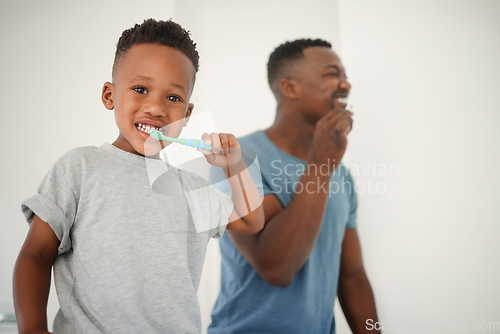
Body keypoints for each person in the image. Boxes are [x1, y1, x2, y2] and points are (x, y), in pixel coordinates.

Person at [13, 19, 264, 334]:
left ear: (187, 115)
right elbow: (36, 254)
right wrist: (32, 329)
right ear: (109, 95)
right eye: (140, 89)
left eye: (173, 98)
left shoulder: (191, 187)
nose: (156, 108)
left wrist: (235, 166)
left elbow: (252, 221)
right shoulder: (80, 167)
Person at [208, 39, 380, 333]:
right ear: (289, 88)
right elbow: (276, 267)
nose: (345, 85)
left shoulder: (341, 175)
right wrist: (321, 166)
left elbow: (352, 277)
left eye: (345, 75)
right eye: (332, 74)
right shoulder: (235, 158)